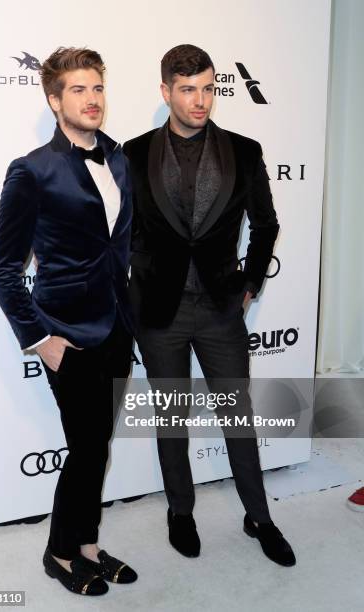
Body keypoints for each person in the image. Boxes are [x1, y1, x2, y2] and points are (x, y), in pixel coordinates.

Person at [123, 44, 296, 567]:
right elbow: (119, 229)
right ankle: (181, 511)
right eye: (188, 90)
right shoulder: (132, 153)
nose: (201, 100)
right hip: (159, 311)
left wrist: (249, 285)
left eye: (208, 88)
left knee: (237, 416)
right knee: (171, 417)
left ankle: (259, 517)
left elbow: (265, 225)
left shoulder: (244, 150)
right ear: (165, 92)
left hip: (222, 308)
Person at [0, 46, 137, 596]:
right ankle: (59, 551)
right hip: (67, 335)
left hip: (118, 327)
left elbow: (121, 247)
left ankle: (89, 545)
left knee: (97, 445)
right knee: (85, 446)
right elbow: (2, 269)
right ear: (54, 101)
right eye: (78, 90)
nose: (91, 99)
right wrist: (40, 340)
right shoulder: (31, 170)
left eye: (97, 88)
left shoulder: (119, 160)